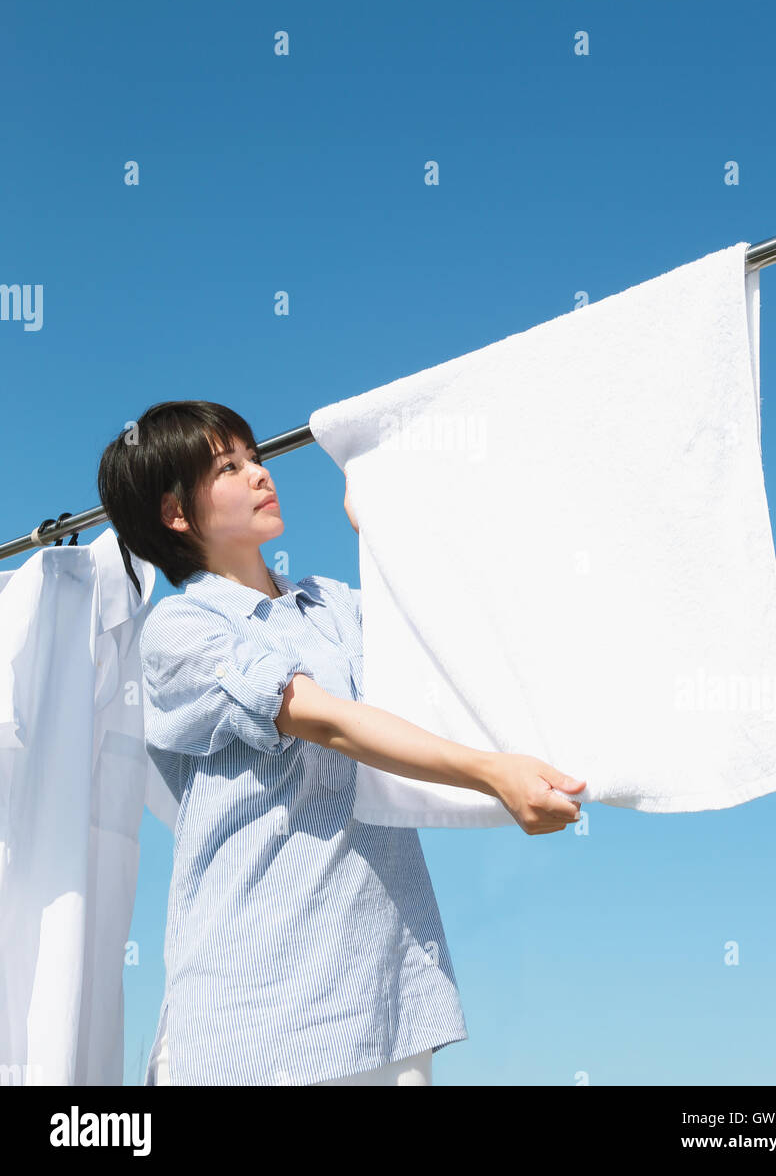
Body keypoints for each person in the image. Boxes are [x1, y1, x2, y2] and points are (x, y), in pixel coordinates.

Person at [98, 400, 585, 1087]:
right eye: (228, 467)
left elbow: (448, 629)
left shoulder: (333, 605)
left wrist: (383, 515)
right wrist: (491, 775)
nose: (260, 473)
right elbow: (323, 719)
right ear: (176, 513)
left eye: (255, 456)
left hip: (379, 991)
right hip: (253, 1002)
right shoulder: (180, 631)